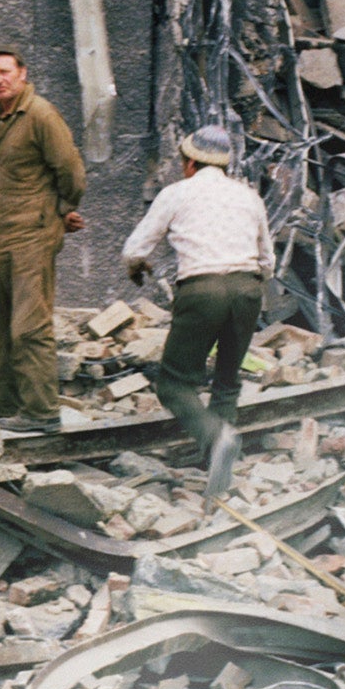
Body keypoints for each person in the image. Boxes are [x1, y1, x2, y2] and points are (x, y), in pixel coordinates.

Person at [121, 125, 273, 504]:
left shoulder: (177, 193)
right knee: (226, 381)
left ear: (189, 163)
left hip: (202, 290)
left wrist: (136, 267)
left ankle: (215, 438)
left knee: (173, 384)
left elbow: (135, 248)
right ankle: (218, 470)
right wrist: (250, 282)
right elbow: (267, 258)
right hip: (248, 287)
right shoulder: (249, 196)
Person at [0, 46, 86, 435]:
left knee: (29, 326)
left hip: (31, 236)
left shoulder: (40, 114)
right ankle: (9, 406)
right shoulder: (1, 118)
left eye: (5, 72)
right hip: (2, 236)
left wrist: (61, 209)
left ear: (22, 73)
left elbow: (70, 169)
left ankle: (42, 412)